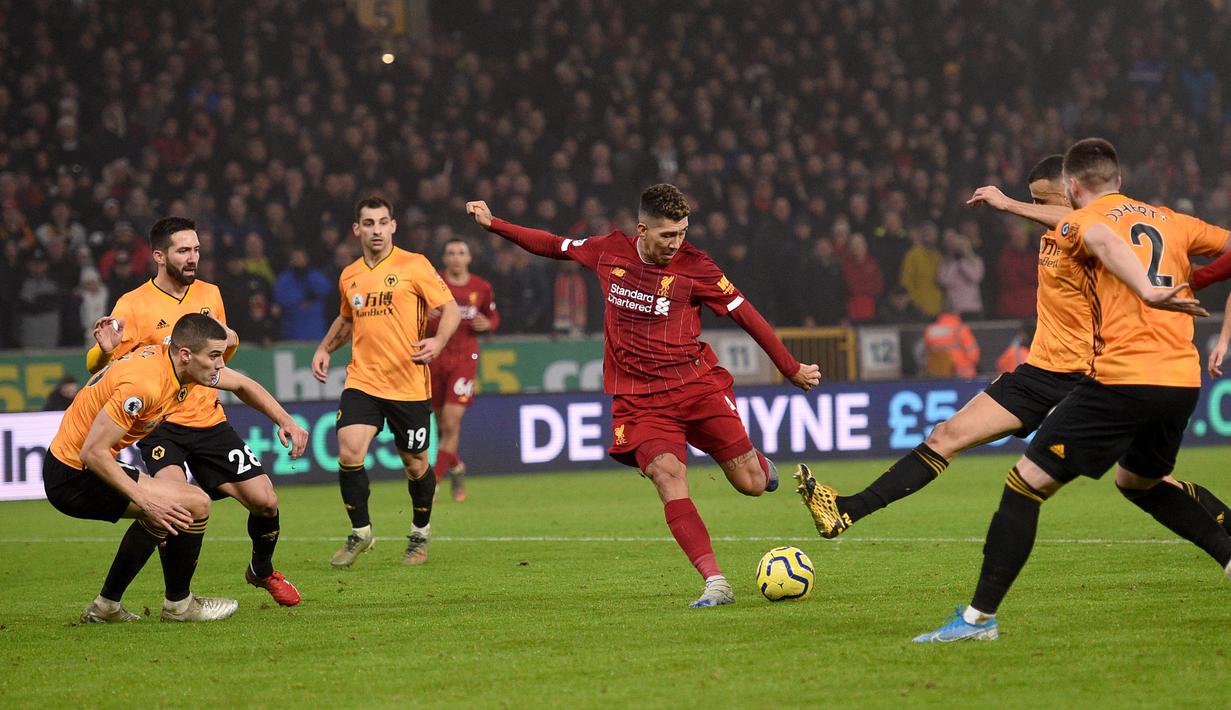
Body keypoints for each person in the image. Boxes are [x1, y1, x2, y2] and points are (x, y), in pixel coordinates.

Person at [797, 151, 1231, 551]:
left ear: (1072, 191)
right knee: (945, 436)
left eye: (1044, 199)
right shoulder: (1056, 231)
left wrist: (1010, 205)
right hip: (1041, 372)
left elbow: (1078, 220)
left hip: (1092, 376)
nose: (1037, 208)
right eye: (1032, 200)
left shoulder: (1091, 229)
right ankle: (847, 510)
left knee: (1148, 481)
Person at [910, 138, 1231, 642]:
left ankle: (977, 620)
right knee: (1138, 483)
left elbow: (1101, 240)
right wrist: (1205, 291)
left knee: (1024, 483)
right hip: (1181, 380)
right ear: (1120, 178)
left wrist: (1004, 201)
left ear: (1073, 187)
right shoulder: (1172, 219)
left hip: (1123, 379)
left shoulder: (1085, 219)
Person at [466, 184, 821, 608]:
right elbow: (553, 245)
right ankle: (715, 581)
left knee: (751, 484)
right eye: (667, 235)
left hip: (696, 387)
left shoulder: (697, 268)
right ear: (641, 229)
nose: (676, 243)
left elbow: (747, 315)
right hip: (640, 401)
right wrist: (495, 225)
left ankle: (758, 464)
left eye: (683, 233)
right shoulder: (607, 252)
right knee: (668, 476)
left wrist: (790, 367)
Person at [85, 216, 303, 615]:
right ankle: (173, 603)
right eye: (184, 250)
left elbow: (219, 357)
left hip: (210, 421)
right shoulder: (132, 305)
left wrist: (282, 416)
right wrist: (101, 350)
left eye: (197, 249)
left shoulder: (210, 294)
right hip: (161, 425)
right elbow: (97, 362)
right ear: (159, 256)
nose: (193, 258)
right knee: (175, 508)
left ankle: (262, 568)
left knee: (266, 502)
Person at [46, 313, 308, 623]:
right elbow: (93, 453)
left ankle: (106, 607)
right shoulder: (145, 385)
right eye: (213, 356)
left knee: (169, 510)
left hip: (75, 467)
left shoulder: (177, 367)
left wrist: (285, 420)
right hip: (73, 474)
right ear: (185, 354)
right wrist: (146, 501)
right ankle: (179, 605)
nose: (220, 364)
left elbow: (240, 383)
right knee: (193, 503)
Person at [312, 196, 460, 568]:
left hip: (408, 383)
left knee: (415, 464)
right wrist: (325, 348)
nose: (376, 230)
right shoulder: (350, 275)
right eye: (368, 223)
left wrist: (439, 341)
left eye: (382, 222)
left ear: (393, 225)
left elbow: (451, 308)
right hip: (363, 379)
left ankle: (419, 534)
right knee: (348, 450)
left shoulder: (415, 265)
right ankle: (361, 532)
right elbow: (347, 320)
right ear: (356, 229)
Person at [428, 238, 499, 503]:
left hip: (464, 359)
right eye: (451, 253)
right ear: (444, 259)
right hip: (434, 357)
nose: (456, 257)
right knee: (440, 424)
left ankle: (433, 480)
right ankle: (456, 467)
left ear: (469, 258)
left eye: (461, 252)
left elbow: (492, 316)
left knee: (450, 422)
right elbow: (413, 313)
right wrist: (424, 314)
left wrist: (487, 324)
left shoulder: (481, 287)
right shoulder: (432, 284)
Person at [922, 307, 980, 378]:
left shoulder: (930, 329)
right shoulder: (960, 328)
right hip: (962, 373)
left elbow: (926, 352)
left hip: (936, 373)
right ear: (956, 314)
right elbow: (973, 354)